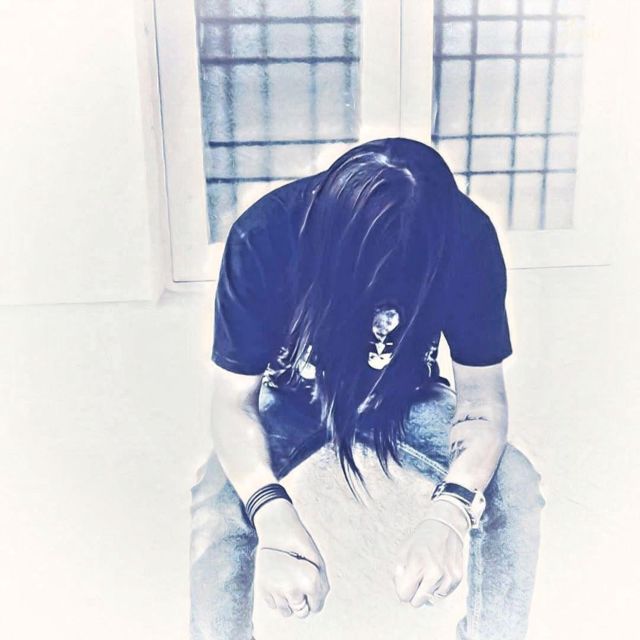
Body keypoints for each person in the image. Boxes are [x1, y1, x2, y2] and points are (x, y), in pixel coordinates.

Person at [190, 138, 545, 640]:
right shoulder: (264, 237)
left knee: (514, 484)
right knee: (216, 498)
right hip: (295, 396)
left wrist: (451, 510)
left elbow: (482, 398)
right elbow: (233, 404)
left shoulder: (465, 238)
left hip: (410, 395)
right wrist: (270, 510)